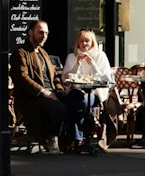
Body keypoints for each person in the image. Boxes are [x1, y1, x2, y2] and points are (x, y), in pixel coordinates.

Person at [11, 18, 91, 154]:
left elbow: (55, 77)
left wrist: (60, 91)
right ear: (30, 32)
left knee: (80, 103)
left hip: (53, 92)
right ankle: (50, 137)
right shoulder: (21, 52)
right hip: (34, 97)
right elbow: (22, 77)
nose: (44, 36)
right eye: (40, 32)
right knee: (60, 109)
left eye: (46, 33)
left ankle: (72, 141)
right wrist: (43, 92)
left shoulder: (43, 53)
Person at [62, 28, 113, 150]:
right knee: (78, 101)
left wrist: (93, 64)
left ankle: (78, 138)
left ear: (92, 42)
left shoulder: (100, 55)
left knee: (81, 103)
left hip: (95, 92)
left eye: (87, 41)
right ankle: (90, 122)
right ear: (77, 43)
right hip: (75, 91)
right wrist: (77, 65)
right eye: (81, 41)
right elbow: (66, 78)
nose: (84, 44)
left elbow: (105, 78)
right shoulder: (72, 56)